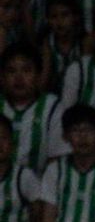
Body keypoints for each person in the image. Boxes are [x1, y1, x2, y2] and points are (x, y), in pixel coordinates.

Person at [2, 40, 59, 178]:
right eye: (11, 71)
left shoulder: (52, 106)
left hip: (38, 190)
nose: (19, 78)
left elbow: (56, 159)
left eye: (26, 71)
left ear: (39, 76)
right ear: (2, 77)